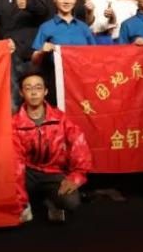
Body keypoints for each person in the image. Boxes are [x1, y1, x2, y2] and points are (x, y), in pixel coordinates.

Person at [13, 73, 93, 223]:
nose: (34, 92)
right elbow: (15, 162)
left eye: (38, 88)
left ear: (46, 91)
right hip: (27, 173)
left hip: (53, 172)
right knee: (4, 187)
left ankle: (53, 203)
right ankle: (27, 203)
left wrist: (77, 176)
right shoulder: (15, 124)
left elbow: (79, 144)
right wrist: (20, 201)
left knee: (71, 202)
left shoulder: (59, 119)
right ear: (21, 93)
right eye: (28, 88)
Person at [31, 0, 97, 67]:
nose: (66, 1)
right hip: (56, 73)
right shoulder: (46, 27)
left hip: (82, 73)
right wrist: (41, 51)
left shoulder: (83, 27)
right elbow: (34, 62)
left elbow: (94, 55)